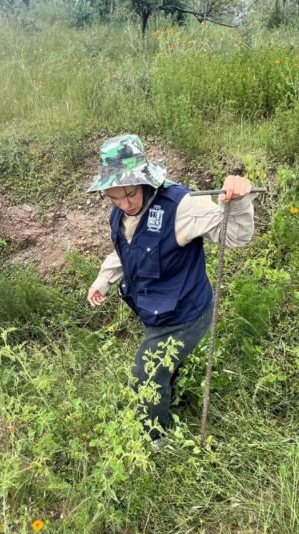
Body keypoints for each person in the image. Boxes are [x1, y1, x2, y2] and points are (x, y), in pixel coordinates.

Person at [86, 135, 256, 444]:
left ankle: (154, 441)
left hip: (185, 314)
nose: (125, 204)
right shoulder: (122, 213)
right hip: (158, 312)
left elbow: (234, 236)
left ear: (144, 179)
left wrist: (238, 201)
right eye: (114, 196)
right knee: (162, 367)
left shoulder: (182, 206)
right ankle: (170, 393)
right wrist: (104, 280)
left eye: (130, 193)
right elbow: (126, 249)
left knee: (146, 373)